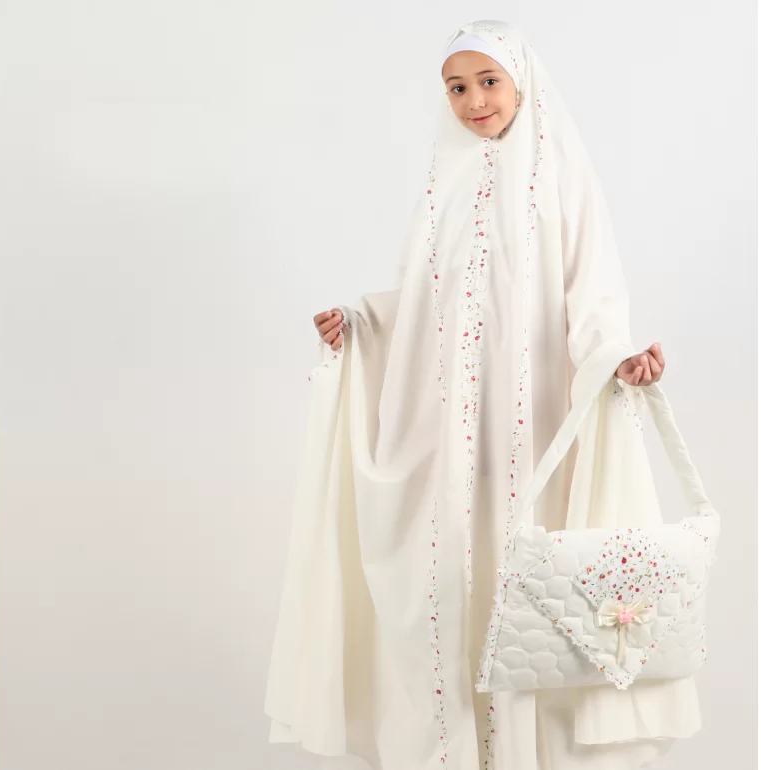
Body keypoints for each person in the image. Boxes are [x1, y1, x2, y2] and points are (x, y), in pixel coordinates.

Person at [266, 20, 699, 770]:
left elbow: (594, 288)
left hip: (538, 427)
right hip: (454, 434)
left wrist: (620, 355)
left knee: (534, 579)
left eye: (488, 81)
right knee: (459, 574)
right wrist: (362, 323)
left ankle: (534, 751)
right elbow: (426, 303)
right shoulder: (446, 186)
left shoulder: (562, 175)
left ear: (522, 81)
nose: (474, 101)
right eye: (457, 87)